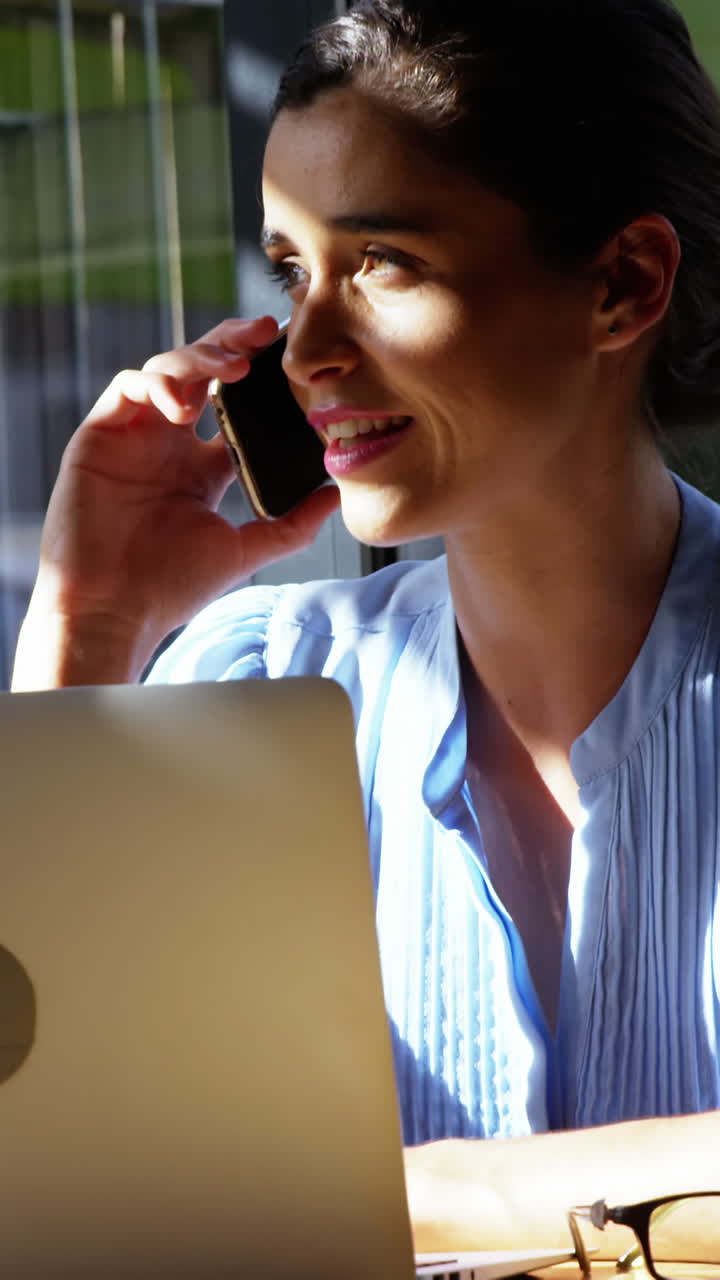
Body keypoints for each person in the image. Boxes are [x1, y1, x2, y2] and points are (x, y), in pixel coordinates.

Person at [12, 0, 720, 1255]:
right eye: (293, 273)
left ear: (623, 284)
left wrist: (369, 1188)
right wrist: (90, 623)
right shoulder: (259, 681)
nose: (305, 350)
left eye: (381, 261)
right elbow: (62, 1165)